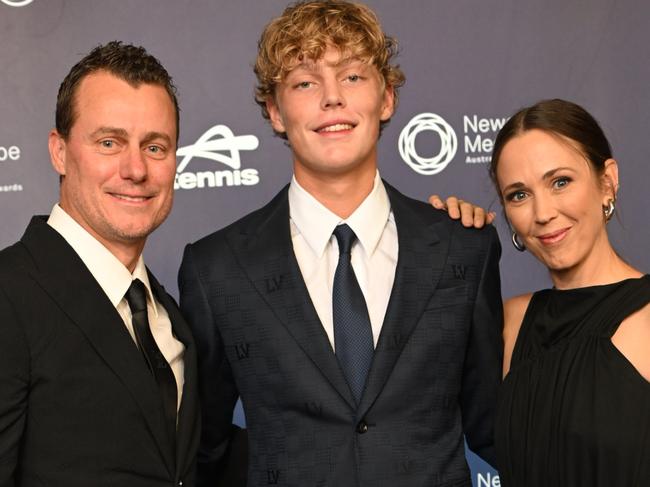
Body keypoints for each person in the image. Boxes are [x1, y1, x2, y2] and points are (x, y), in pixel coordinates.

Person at [178, 1, 503, 486]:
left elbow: (497, 430)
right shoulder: (216, 268)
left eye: (352, 76)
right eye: (305, 82)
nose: (332, 98)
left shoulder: (463, 248)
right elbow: (205, 449)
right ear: (275, 111)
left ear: (387, 98)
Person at [0, 41, 200, 486]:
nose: (135, 169)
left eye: (156, 147)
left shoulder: (167, 317)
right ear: (59, 152)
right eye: (109, 142)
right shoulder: (9, 296)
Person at [443, 98, 650, 485]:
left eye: (560, 182)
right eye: (518, 195)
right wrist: (438, 237)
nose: (542, 213)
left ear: (607, 182)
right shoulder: (507, 324)